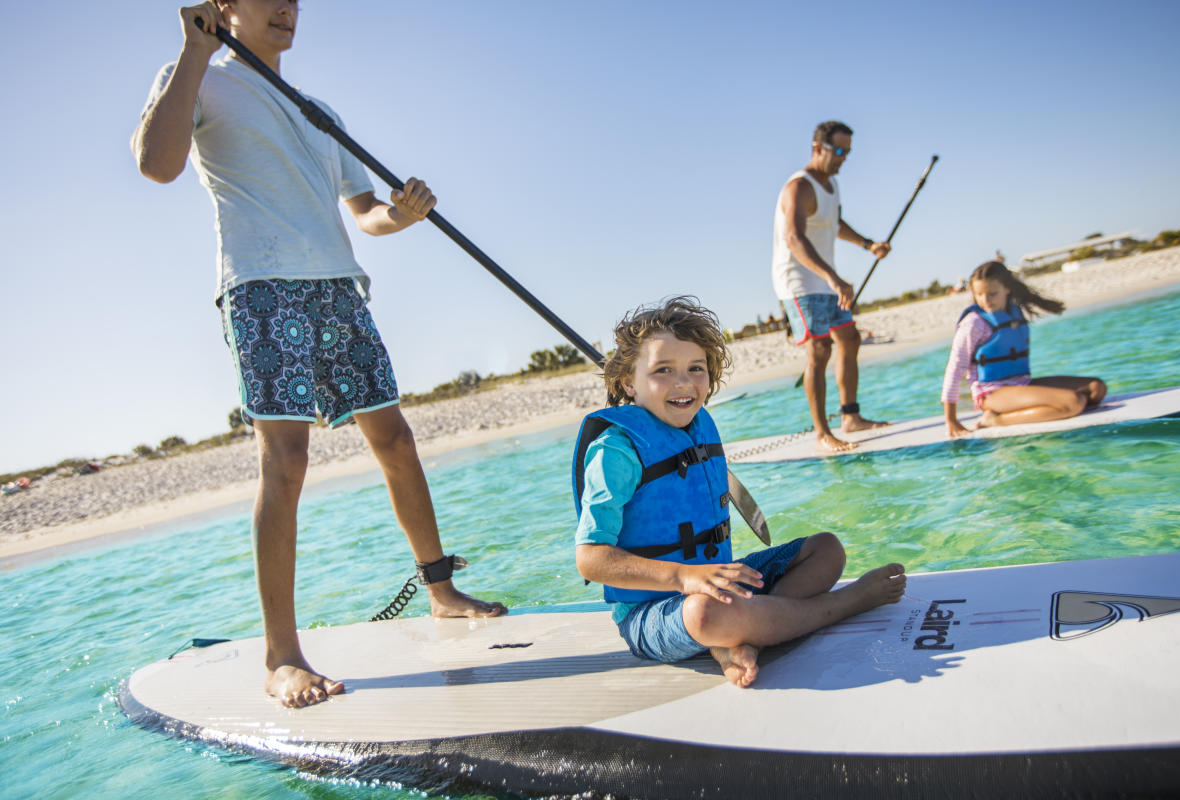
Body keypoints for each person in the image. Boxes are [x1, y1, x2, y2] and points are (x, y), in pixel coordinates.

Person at [133, 0, 505, 708]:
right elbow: (157, 165)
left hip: (338, 287)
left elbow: (364, 213)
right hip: (263, 289)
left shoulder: (318, 109)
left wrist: (404, 213)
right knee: (287, 460)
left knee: (395, 439)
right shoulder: (199, 80)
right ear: (223, 9)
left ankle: (441, 589)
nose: (286, 9)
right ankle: (281, 656)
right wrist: (189, 51)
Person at [572, 297, 906, 687]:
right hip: (656, 612)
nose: (683, 383)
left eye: (695, 369)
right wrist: (684, 578)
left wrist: (708, 578)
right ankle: (842, 604)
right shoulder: (616, 451)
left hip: (721, 583)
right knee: (705, 615)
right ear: (629, 382)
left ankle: (742, 639)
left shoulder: (699, 425)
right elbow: (590, 560)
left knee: (826, 549)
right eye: (663, 370)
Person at [772, 120, 893, 453]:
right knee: (820, 350)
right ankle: (823, 433)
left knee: (850, 339)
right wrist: (833, 277)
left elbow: (834, 223)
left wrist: (868, 244)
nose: (843, 158)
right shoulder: (799, 187)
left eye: (847, 152)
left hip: (824, 278)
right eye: (838, 151)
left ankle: (850, 416)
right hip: (797, 280)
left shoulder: (832, 185)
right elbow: (794, 238)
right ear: (817, 147)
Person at [941, 261, 1107, 438]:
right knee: (1073, 403)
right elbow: (955, 368)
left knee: (1097, 389)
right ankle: (994, 420)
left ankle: (1031, 410)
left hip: (1021, 383)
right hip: (992, 393)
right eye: (979, 295)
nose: (985, 300)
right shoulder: (974, 323)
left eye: (992, 294)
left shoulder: (1014, 312)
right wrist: (951, 419)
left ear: (1007, 289)